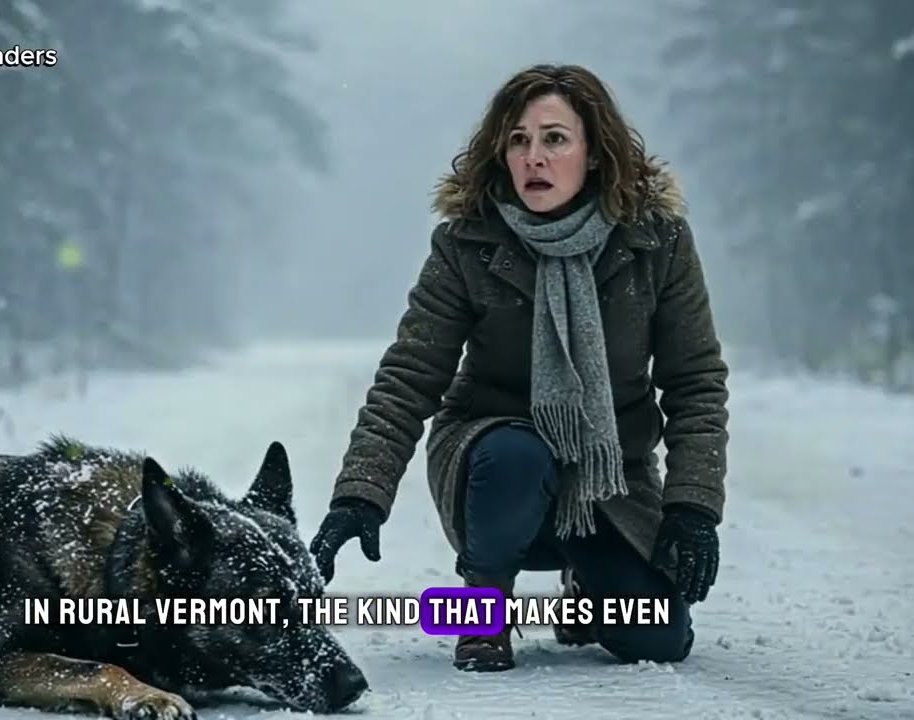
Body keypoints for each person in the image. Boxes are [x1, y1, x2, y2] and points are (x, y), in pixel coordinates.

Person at [309, 63, 729, 672]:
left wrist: (693, 508)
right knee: (517, 454)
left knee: (657, 638)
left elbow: (695, 383)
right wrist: (360, 496)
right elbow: (409, 376)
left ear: (594, 152)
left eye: (555, 138)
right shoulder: (467, 243)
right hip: (495, 463)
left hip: (607, 478)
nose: (534, 157)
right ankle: (484, 607)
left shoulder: (656, 242)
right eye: (518, 140)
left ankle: (585, 587)